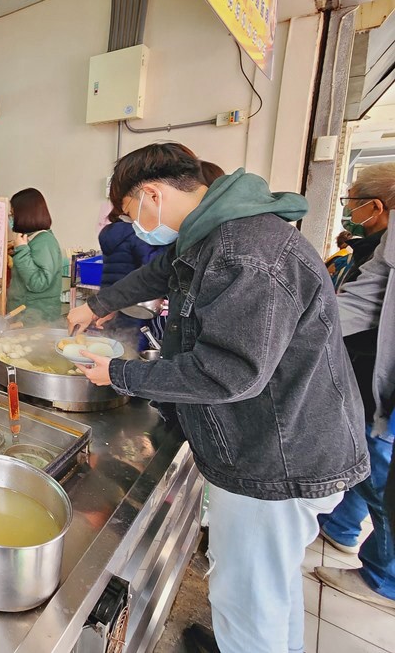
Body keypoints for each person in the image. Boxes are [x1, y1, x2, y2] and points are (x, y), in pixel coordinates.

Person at [66, 143, 368, 653]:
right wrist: (98, 304)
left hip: (275, 457)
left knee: (247, 602)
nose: (134, 225)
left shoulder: (244, 252)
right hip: (279, 441)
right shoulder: (217, 233)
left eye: (129, 212)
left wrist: (120, 373)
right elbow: (160, 272)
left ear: (152, 195)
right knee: (271, 589)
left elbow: (229, 374)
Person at [316, 207, 395, 608]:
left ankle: (387, 580)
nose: (349, 210)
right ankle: (342, 528)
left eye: (355, 200)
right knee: (365, 453)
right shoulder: (381, 244)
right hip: (372, 370)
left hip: (379, 372)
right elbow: (361, 302)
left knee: (381, 472)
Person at [97, 208, 166, 349]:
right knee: (132, 347)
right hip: (135, 304)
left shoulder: (111, 232)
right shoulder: (137, 235)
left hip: (113, 299)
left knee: (115, 344)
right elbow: (155, 268)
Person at [6, 188, 64, 324]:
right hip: (24, 315)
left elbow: (39, 283)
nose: (11, 219)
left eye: (13, 214)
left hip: (36, 318)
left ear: (25, 214)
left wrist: (21, 250)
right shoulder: (31, 239)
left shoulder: (45, 241)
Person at [334, 163, 394, 288]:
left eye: (350, 199)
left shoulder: (377, 263)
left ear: (375, 208)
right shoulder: (371, 252)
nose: (348, 207)